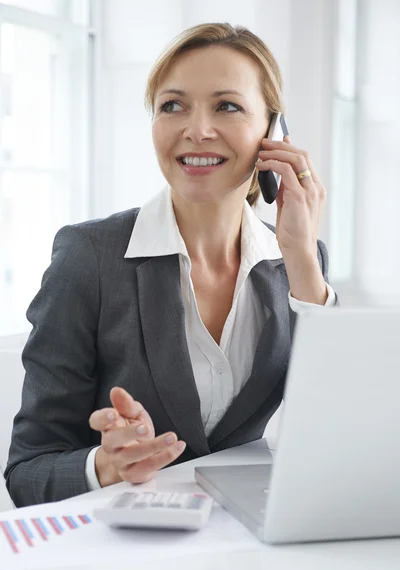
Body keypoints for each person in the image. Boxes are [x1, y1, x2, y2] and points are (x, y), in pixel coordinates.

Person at [5, 22, 337, 507]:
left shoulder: (298, 262)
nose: (196, 130)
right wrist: (105, 467)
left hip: (250, 555)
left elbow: (334, 432)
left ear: (273, 132)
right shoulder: (89, 257)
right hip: (126, 566)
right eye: (172, 105)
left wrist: (304, 260)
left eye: (227, 105)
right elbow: (28, 470)